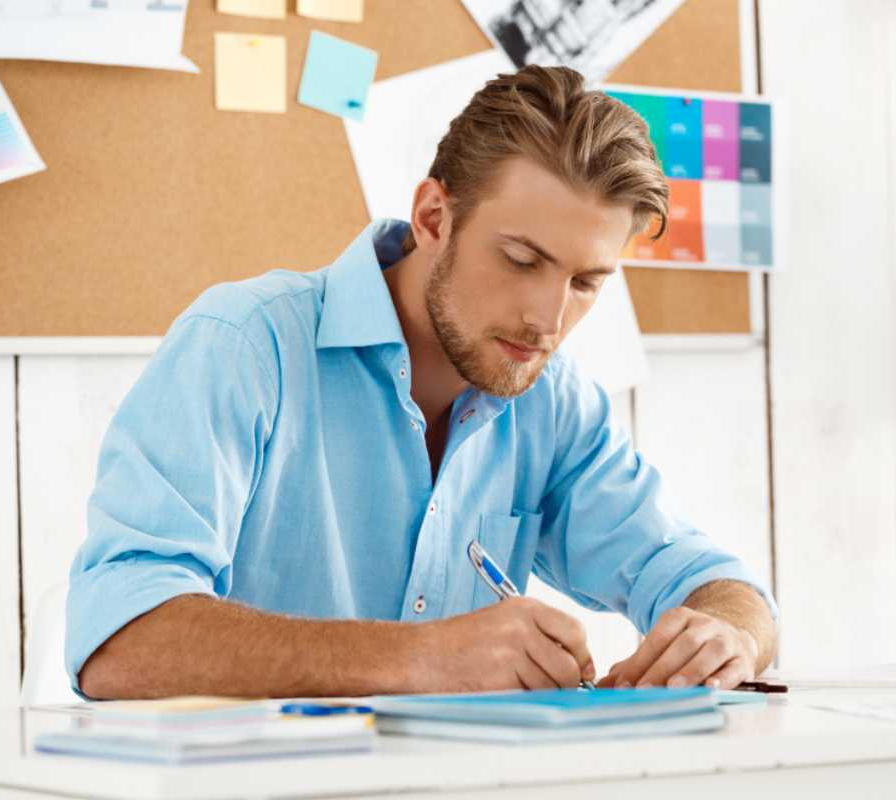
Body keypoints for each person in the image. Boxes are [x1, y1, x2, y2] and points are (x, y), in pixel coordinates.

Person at [68, 65, 777, 700]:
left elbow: (710, 581)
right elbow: (119, 639)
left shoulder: (553, 403)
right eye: (522, 259)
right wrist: (425, 658)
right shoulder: (247, 345)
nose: (547, 319)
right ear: (434, 216)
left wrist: (726, 636)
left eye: (586, 281)